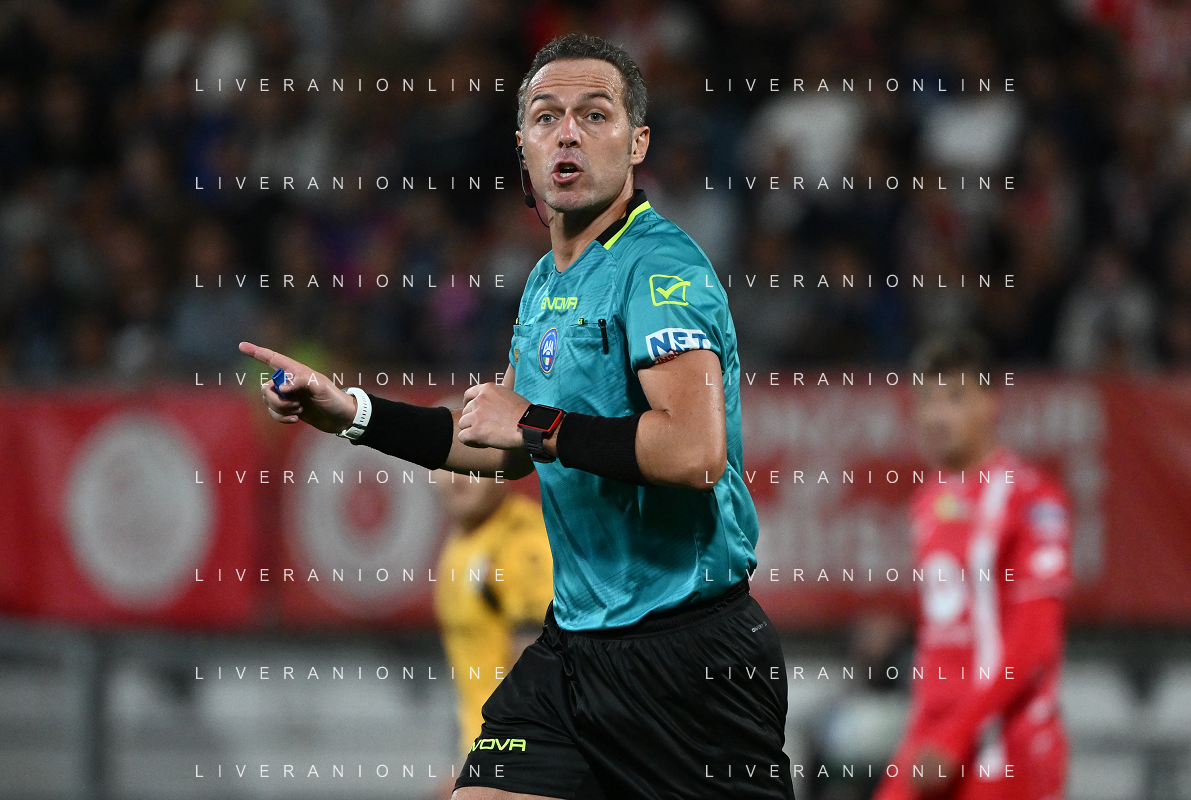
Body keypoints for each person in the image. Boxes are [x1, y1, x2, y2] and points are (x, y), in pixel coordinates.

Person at [240, 32, 792, 800]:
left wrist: (534, 422)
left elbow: (693, 453)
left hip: (688, 658)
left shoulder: (660, 269)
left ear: (636, 143)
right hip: (572, 652)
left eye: (593, 115)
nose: (566, 133)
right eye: (545, 116)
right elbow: (495, 447)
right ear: (523, 148)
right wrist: (351, 412)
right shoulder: (544, 284)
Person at [873, 333, 1072, 800]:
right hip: (934, 742)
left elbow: (1035, 639)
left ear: (991, 403)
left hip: (1007, 745)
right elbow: (940, 641)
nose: (938, 416)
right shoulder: (928, 503)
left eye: (955, 398)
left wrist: (958, 733)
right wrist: (925, 734)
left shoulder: (1031, 497)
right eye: (927, 400)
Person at [429, 439, 554, 758]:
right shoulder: (463, 538)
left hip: (513, 757)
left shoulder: (523, 542)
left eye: (472, 462)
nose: (457, 478)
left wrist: (496, 768)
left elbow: (536, 680)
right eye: (446, 463)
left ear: (504, 465)